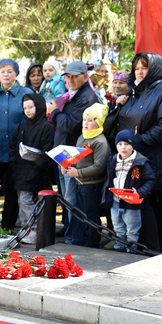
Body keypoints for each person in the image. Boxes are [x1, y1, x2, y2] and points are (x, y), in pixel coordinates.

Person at [107, 52, 162, 251]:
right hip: (129, 160)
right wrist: (117, 105)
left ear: (153, 69)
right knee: (134, 206)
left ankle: (158, 248)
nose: (139, 72)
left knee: (153, 206)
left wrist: (136, 142)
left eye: (144, 68)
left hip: (152, 158)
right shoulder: (132, 93)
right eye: (136, 68)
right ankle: (138, 245)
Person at [47, 60, 101, 239]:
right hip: (64, 153)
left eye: (74, 77)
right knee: (66, 197)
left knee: (72, 198)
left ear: (85, 77)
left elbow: (69, 124)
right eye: (67, 77)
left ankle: (75, 238)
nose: (69, 80)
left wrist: (54, 111)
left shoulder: (86, 97)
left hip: (73, 155)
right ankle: (70, 232)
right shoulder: (73, 94)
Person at [0, 58, 29, 231]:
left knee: (11, 190)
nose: (6, 75)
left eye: (10, 71)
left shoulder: (25, 93)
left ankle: (8, 226)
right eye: (2, 71)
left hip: (16, 151)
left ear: (16, 73)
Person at [9, 92, 56, 243]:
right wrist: (14, 165)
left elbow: (48, 150)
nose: (28, 111)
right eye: (25, 108)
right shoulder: (22, 126)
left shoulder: (46, 127)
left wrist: (38, 164)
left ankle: (35, 229)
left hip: (38, 171)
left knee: (31, 201)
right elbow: (13, 146)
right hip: (22, 170)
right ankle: (26, 227)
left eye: (31, 107)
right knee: (22, 199)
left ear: (39, 106)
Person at [63, 103, 110, 248]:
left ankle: (92, 244)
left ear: (99, 122)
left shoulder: (100, 141)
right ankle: (86, 239)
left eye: (90, 120)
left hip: (92, 185)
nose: (86, 123)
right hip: (80, 184)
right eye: (85, 120)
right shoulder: (82, 137)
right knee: (84, 214)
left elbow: (99, 166)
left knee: (92, 216)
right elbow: (77, 157)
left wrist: (78, 172)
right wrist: (67, 165)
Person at [102, 130, 156, 251]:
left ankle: (131, 250)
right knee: (118, 227)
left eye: (127, 144)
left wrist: (140, 192)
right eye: (120, 144)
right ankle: (119, 247)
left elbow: (151, 180)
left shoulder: (141, 162)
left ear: (133, 146)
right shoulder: (114, 160)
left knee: (132, 229)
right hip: (116, 200)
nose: (123, 147)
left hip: (131, 203)